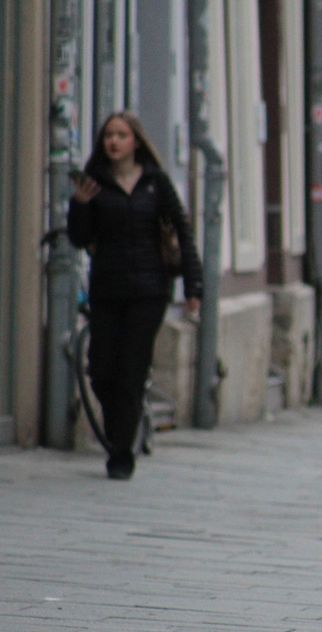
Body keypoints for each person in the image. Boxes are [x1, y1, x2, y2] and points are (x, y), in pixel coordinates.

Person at [67, 111, 203, 480]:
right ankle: (121, 427)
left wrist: (193, 287)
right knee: (100, 369)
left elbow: (183, 232)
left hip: (149, 290)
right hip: (108, 288)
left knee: (130, 369)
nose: (114, 141)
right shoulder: (93, 184)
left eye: (121, 135)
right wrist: (79, 204)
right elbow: (79, 238)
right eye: (108, 135)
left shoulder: (155, 184)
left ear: (136, 142)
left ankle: (121, 451)